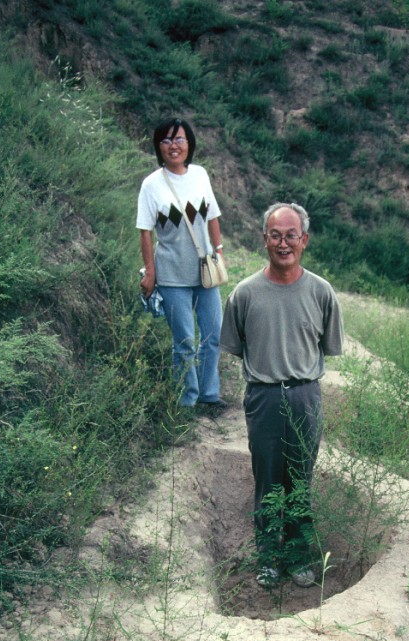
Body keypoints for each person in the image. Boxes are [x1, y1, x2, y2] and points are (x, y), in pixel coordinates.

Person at [220, 202, 343, 588]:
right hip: (264, 399)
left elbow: (328, 345)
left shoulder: (322, 292)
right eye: (276, 235)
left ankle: (296, 558)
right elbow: (236, 345)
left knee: (300, 480)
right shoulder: (244, 294)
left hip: (306, 397)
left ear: (304, 240)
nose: (283, 242)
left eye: (291, 235)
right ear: (264, 240)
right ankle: (269, 558)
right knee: (267, 480)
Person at [137, 116, 226, 408]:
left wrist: (220, 250)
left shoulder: (200, 175)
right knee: (185, 342)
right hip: (173, 274)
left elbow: (212, 215)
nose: (173, 146)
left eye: (179, 139)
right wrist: (150, 272)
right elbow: (145, 231)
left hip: (204, 272)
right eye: (166, 140)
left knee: (213, 335)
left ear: (189, 144)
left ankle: (209, 395)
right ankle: (186, 401)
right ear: (158, 146)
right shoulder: (151, 185)